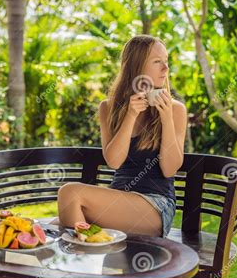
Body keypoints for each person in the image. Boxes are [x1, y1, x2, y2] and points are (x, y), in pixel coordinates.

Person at [54, 35, 187, 237]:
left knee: (69, 195)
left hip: (156, 205)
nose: (166, 69)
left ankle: (83, 261)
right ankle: (88, 252)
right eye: (157, 62)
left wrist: (166, 119)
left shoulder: (175, 110)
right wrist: (130, 116)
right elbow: (114, 161)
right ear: (137, 66)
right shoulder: (109, 108)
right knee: (56, 226)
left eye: (166, 62)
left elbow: (170, 169)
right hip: (118, 198)